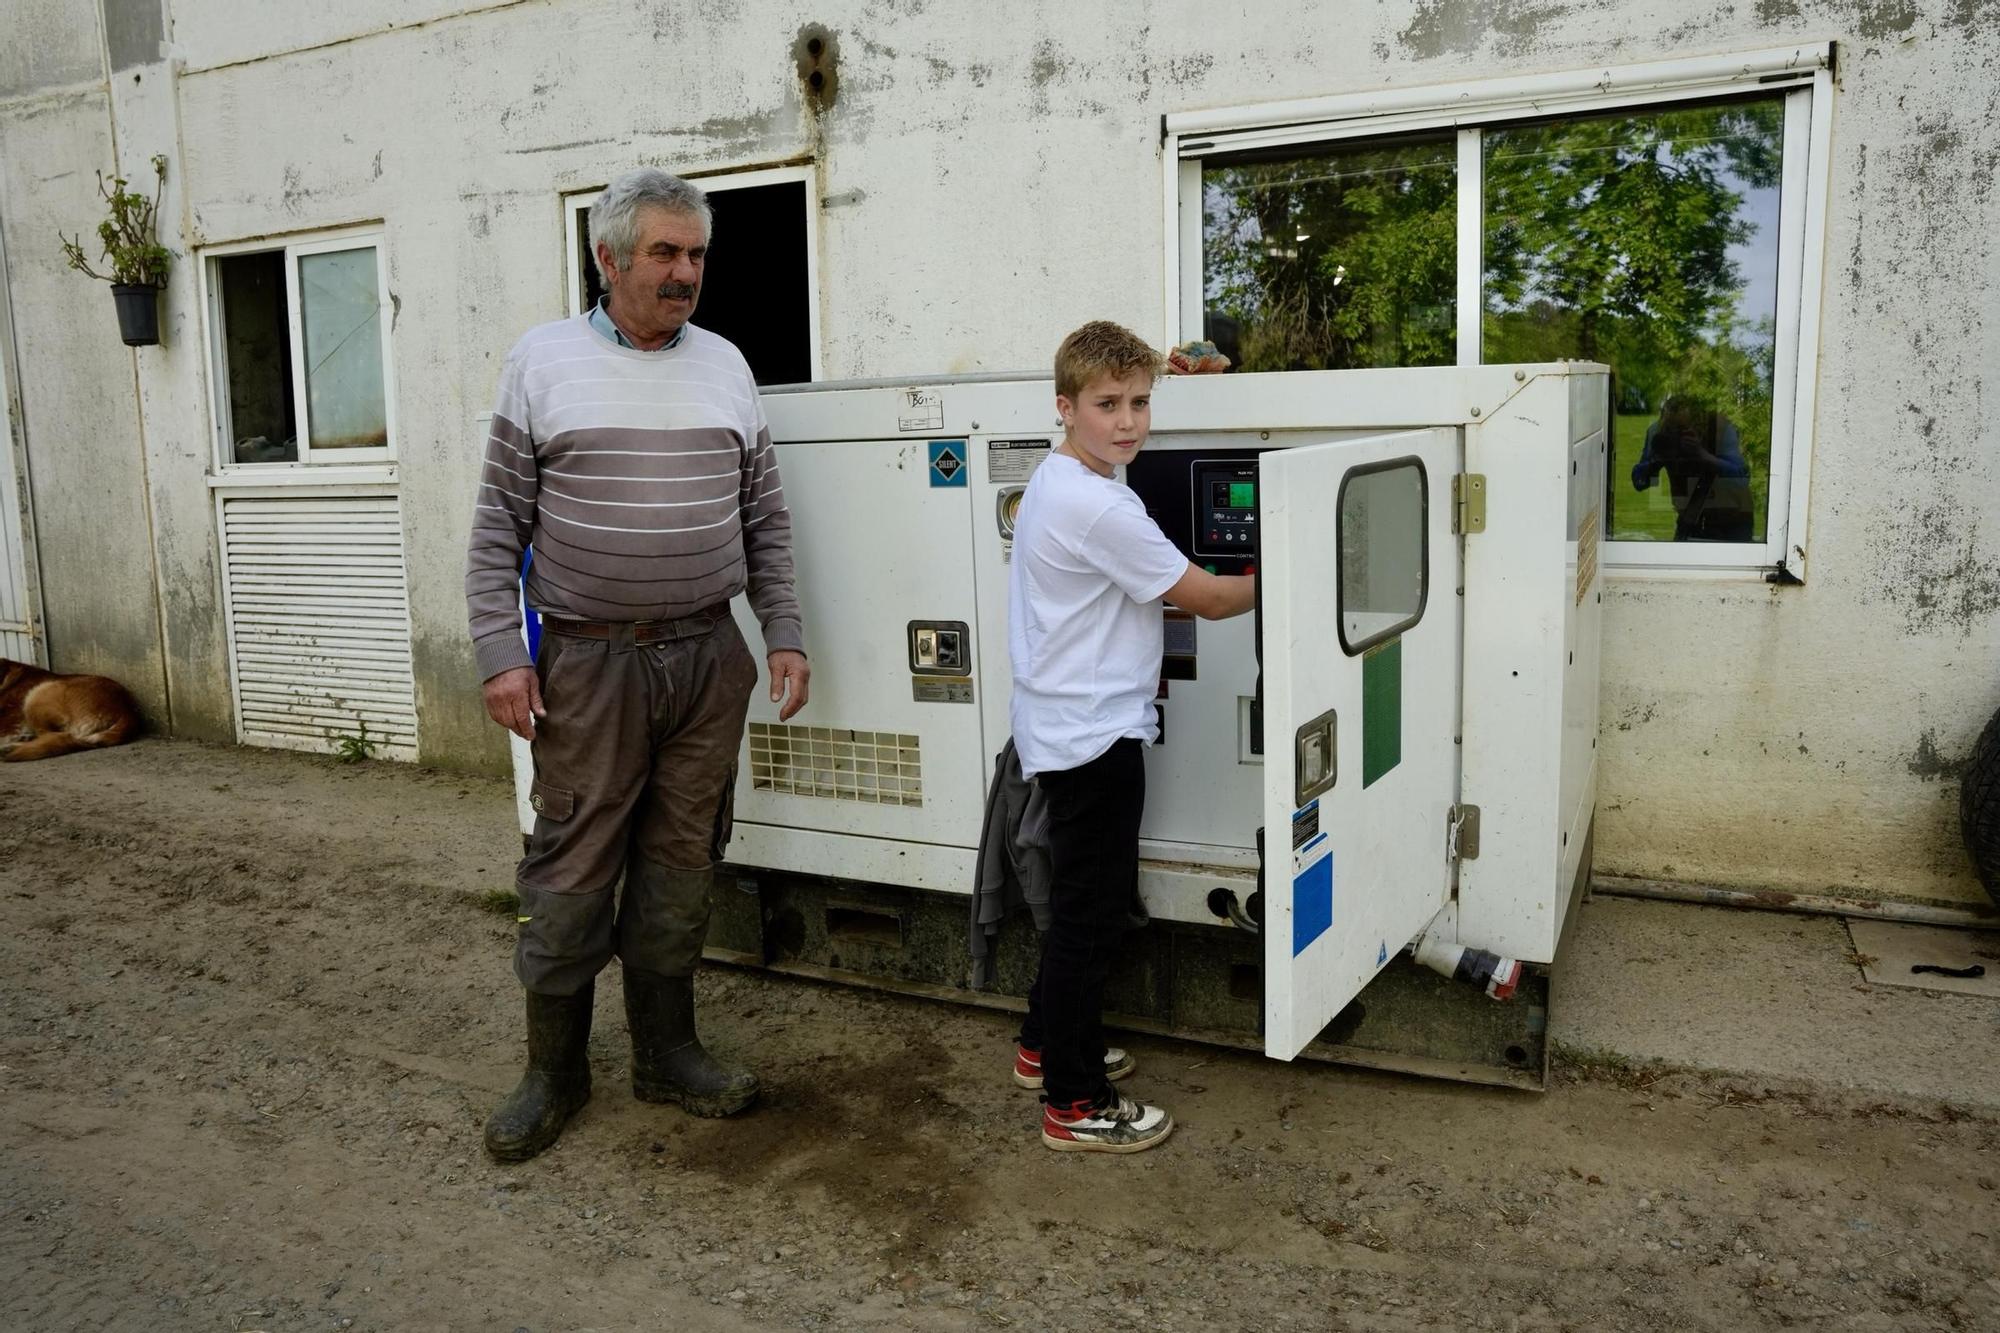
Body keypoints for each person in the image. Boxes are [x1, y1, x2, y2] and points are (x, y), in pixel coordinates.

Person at [465, 167, 810, 1162]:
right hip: (589, 661)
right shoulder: (542, 363)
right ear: (607, 257)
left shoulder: (726, 366)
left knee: (681, 860)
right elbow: (497, 528)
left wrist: (779, 630)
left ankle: (666, 1051)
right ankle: (553, 1072)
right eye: (663, 252)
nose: (684, 271)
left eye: (695, 254)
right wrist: (501, 653)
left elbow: (765, 519)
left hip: (708, 656)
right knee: (572, 866)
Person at [1008, 320, 1256, 1152]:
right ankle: (1075, 1101)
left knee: (1083, 906)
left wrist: (1189, 364)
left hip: (1067, 722)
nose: (1128, 421)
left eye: (1141, 402)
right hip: (1093, 737)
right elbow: (1211, 600)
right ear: (1064, 407)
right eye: (1107, 405)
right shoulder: (1097, 504)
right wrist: (1290, 561)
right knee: (1089, 918)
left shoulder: (1060, 477)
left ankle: (1045, 1044)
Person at [1630, 393, 1754, 542]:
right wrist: (1656, 461)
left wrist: (1702, 454)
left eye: (1683, 429)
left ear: (1697, 422)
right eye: (1671, 428)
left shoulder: (1720, 427)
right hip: (1690, 518)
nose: (1676, 434)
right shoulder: (1658, 432)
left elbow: (1740, 478)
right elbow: (1639, 482)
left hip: (1732, 520)